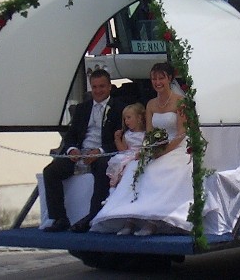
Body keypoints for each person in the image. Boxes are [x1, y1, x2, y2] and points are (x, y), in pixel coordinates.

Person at [90, 62, 193, 236]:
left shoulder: (180, 102)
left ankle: (152, 221)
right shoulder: (151, 104)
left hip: (176, 148)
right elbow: (150, 134)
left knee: (160, 170)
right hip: (155, 148)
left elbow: (181, 133)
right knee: (133, 167)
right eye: (154, 78)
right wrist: (148, 151)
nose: (157, 82)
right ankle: (130, 219)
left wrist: (163, 151)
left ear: (169, 79)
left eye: (161, 78)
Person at [42, 68, 125, 233]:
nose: (98, 90)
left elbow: (123, 138)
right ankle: (60, 218)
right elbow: (71, 135)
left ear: (109, 87)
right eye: (94, 87)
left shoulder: (119, 108)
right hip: (81, 153)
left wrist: (99, 151)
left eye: (101, 86)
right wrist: (72, 150)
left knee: (103, 169)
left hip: (103, 153)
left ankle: (92, 217)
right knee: (50, 171)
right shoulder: (82, 108)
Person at [106, 103, 146, 191]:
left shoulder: (145, 134)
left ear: (139, 118)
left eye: (129, 118)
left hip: (139, 156)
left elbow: (146, 146)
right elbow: (123, 149)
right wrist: (117, 139)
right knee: (122, 168)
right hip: (128, 156)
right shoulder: (127, 135)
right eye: (124, 119)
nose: (126, 121)